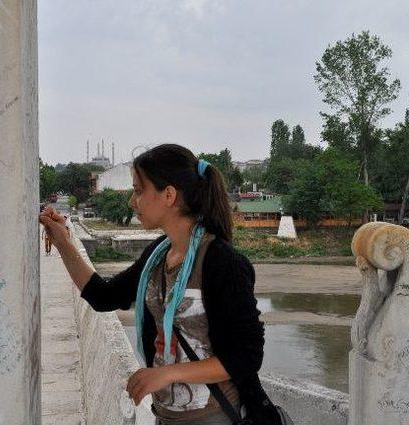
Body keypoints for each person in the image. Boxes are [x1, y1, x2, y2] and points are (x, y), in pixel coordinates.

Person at [39, 144, 279, 424]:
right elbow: (103, 296)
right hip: (166, 415)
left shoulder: (222, 263)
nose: (132, 201)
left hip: (215, 416)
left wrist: (167, 373)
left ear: (168, 195)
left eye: (139, 190)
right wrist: (63, 242)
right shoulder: (158, 256)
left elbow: (245, 357)